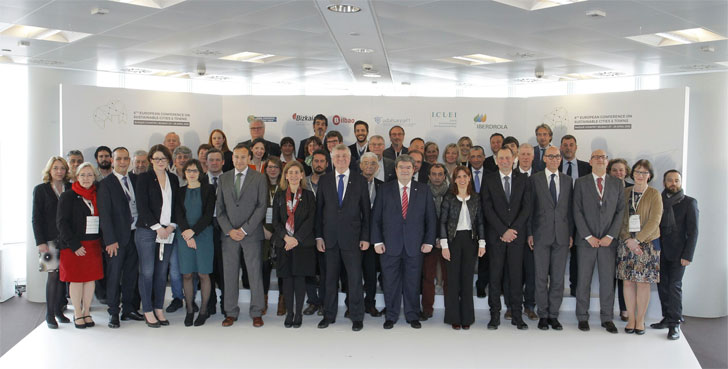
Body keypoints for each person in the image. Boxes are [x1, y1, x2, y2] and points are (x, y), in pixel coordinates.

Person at [372, 154, 437, 330]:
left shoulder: (423, 190)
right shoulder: (385, 189)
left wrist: (429, 241)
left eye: (409, 167)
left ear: (413, 169)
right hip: (389, 246)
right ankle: (391, 316)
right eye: (402, 167)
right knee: (390, 283)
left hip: (415, 246)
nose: (405, 170)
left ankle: (412, 315)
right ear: (396, 169)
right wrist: (377, 241)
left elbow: (431, 219)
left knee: (412, 283)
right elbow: (376, 218)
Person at [315, 144, 371, 331]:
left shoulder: (360, 181)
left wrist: (365, 237)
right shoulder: (324, 180)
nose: (341, 159)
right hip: (329, 240)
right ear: (332, 158)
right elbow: (319, 212)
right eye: (337, 156)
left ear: (350, 159)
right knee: (330, 280)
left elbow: (366, 213)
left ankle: (357, 317)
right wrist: (319, 237)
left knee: (355, 280)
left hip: (353, 240)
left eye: (344, 156)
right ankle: (329, 315)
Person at [573, 149, 625, 334]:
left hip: (608, 243)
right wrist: (588, 236)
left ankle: (607, 318)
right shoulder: (580, 183)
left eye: (603, 157)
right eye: (596, 157)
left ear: (607, 161)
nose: (600, 160)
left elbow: (620, 211)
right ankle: (582, 317)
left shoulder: (617, 184)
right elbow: (576, 210)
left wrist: (610, 236)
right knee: (583, 281)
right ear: (590, 161)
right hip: (586, 242)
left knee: (606, 282)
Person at [217, 143, 268, 328]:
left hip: (251, 234)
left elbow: (262, 206)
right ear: (232, 158)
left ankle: (256, 312)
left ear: (249, 158)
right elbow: (220, 209)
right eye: (236, 157)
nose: (239, 160)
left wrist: (245, 229)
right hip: (229, 236)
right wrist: (230, 230)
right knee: (230, 274)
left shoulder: (260, 178)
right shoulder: (224, 179)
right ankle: (230, 312)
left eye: (243, 157)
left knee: (254, 274)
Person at [481, 147, 531, 330]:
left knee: (516, 278)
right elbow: (487, 209)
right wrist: (503, 231)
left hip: (516, 238)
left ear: (514, 159)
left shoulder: (523, 180)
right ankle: (494, 316)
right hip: (497, 237)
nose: (504, 161)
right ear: (496, 160)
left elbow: (527, 208)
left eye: (507, 158)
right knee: (495, 278)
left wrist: (513, 230)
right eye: (500, 158)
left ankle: (517, 315)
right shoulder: (488, 180)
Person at [527, 146, 573, 331]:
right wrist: (530, 233)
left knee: (557, 279)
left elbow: (570, 210)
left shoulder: (568, 180)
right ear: (544, 158)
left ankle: (554, 315)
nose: (554, 159)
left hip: (562, 236)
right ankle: (543, 315)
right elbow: (529, 208)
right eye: (551, 156)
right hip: (540, 235)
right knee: (540, 277)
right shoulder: (535, 179)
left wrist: (570, 234)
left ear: (560, 159)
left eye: (557, 156)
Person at [97, 147, 143, 328]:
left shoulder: (134, 179)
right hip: (116, 239)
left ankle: (129, 309)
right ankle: (113, 312)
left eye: (125, 159)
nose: (123, 162)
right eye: (119, 159)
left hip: (135, 234)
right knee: (114, 276)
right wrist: (110, 240)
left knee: (132, 274)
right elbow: (105, 214)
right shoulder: (106, 183)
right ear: (113, 161)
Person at [134, 144, 178, 327]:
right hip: (147, 231)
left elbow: (177, 206)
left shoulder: (173, 179)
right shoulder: (143, 178)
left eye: (164, 158)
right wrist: (157, 227)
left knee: (161, 273)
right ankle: (148, 310)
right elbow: (142, 207)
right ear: (151, 160)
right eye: (157, 158)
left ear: (168, 161)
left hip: (167, 232)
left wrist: (172, 226)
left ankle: (159, 308)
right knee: (147, 272)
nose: (160, 162)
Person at [651, 170, 698, 340]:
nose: (673, 183)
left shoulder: (689, 202)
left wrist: (688, 255)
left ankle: (675, 323)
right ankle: (666, 317)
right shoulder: (659, 201)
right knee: (662, 285)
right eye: (670, 180)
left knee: (674, 287)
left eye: (676, 180)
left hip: (679, 254)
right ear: (664, 183)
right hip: (660, 251)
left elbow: (693, 232)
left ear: (681, 182)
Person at [618, 159, 663, 335]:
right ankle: (631, 319)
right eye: (637, 171)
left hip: (648, 244)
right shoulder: (625, 192)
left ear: (649, 175)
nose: (640, 175)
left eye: (644, 172)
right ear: (632, 173)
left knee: (643, 283)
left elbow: (654, 221)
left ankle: (641, 320)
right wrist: (628, 239)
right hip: (626, 243)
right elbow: (620, 218)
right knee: (628, 282)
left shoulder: (654, 194)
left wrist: (638, 241)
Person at [57, 162, 104, 329]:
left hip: (93, 244)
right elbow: (62, 223)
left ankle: (86, 311)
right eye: (83, 175)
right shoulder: (68, 196)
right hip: (74, 247)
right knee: (76, 280)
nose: (86, 178)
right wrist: (74, 245)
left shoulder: (97, 194)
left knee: (90, 280)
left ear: (94, 177)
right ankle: (77, 312)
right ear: (76, 177)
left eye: (90, 175)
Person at [271, 161, 317, 328]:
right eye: (290, 172)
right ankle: (289, 313)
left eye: (297, 172)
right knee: (287, 281)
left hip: (302, 245)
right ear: (286, 175)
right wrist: (286, 237)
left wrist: (296, 238)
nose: (293, 175)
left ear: (302, 175)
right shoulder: (279, 195)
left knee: (299, 280)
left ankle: (298, 314)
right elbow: (275, 221)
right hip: (284, 244)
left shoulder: (309, 195)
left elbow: (311, 220)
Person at [439, 166, 486, 330]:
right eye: (458, 176)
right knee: (452, 281)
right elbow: (443, 222)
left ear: (469, 178)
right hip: (453, 241)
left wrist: (482, 243)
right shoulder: (449, 198)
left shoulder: (476, 198)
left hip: (470, 241)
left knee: (467, 280)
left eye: (465, 176)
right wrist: (444, 245)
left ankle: (467, 318)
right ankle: (454, 317)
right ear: (454, 179)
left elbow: (480, 222)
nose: (462, 179)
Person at [175, 159, 215, 327]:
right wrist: (187, 233)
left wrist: (194, 232)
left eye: (195, 170)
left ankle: (204, 310)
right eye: (189, 170)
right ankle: (190, 309)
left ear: (200, 172)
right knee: (187, 274)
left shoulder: (209, 189)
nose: (192, 173)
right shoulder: (180, 191)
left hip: (203, 234)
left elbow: (208, 215)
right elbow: (177, 214)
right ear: (184, 173)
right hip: (184, 235)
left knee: (203, 274)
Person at [32, 156, 72, 328]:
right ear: (50, 170)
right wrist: (40, 241)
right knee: (53, 276)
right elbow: (36, 218)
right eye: (55, 168)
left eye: (62, 168)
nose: (59, 171)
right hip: (47, 241)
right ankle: (49, 314)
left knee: (64, 276)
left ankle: (58, 311)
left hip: (67, 239)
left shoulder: (70, 188)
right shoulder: (40, 189)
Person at [422, 163, 449, 321]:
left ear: (445, 176)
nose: (437, 177)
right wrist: (432, 238)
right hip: (428, 241)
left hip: (447, 242)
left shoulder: (451, 192)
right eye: (434, 174)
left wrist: (443, 238)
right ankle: (427, 309)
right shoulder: (422, 191)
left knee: (448, 277)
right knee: (428, 276)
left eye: (440, 174)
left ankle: (450, 309)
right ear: (429, 176)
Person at [302, 150, 328, 316]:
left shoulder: (332, 182)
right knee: (308, 269)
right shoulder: (303, 182)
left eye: (322, 161)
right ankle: (312, 301)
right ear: (311, 163)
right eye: (316, 161)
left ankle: (325, 302)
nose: (318, 164)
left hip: (326, 233)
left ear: (327, 164)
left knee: (326, 270)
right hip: (306, 233)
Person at [166, 145, 192, 313]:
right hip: (172, 228)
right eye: (179, 156)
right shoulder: (167, 177)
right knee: (174, 268)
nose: (182, 159)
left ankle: (191, 297)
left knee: (191, 266)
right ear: (174, 160)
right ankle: (177, 297)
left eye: (185, 156)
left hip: (190, 229)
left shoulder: (196, 175)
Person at [359, 152, 384, 317]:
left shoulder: (384, 186)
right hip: (353, 237)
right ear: (360, 165)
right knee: (351, 274)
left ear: (378, 167)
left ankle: (370, 304)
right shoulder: (351, 183)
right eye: (366, 163)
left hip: (374, 238)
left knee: (370, 274)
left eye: (373, 163)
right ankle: (352, 305)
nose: (369, 166)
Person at [260, 156, 285, 316]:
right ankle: (263, 300)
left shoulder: (285, 188)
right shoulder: (259, 186)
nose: (272, 169)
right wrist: (262, 229)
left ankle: (282, 301)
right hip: (262, 230)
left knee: (282, 267)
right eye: (270, 167)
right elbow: (252, 209)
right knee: (264, 266)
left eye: (276, 167)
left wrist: (278, 232)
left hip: (281, 231)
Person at [608, 158, 632, 321]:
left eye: (621, 170)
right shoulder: (605, 187)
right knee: (609, 276)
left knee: (624, 275)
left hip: (627, 238)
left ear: (626, 172)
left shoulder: (632, 189)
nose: (618, 173)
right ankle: (607, 310)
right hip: (609, 236)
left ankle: (625, 309)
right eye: (615, 170)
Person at [204, 148, 225, 315]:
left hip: (226, 228)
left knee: (226, 268)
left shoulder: (232, 180)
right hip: (206, 227)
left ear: (223, 162)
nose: (215, 163)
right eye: (211, 160)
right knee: (208, 267)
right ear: (206, 162)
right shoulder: (199, 180)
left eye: (218, 160)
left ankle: (227, 303)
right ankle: (209, 303)